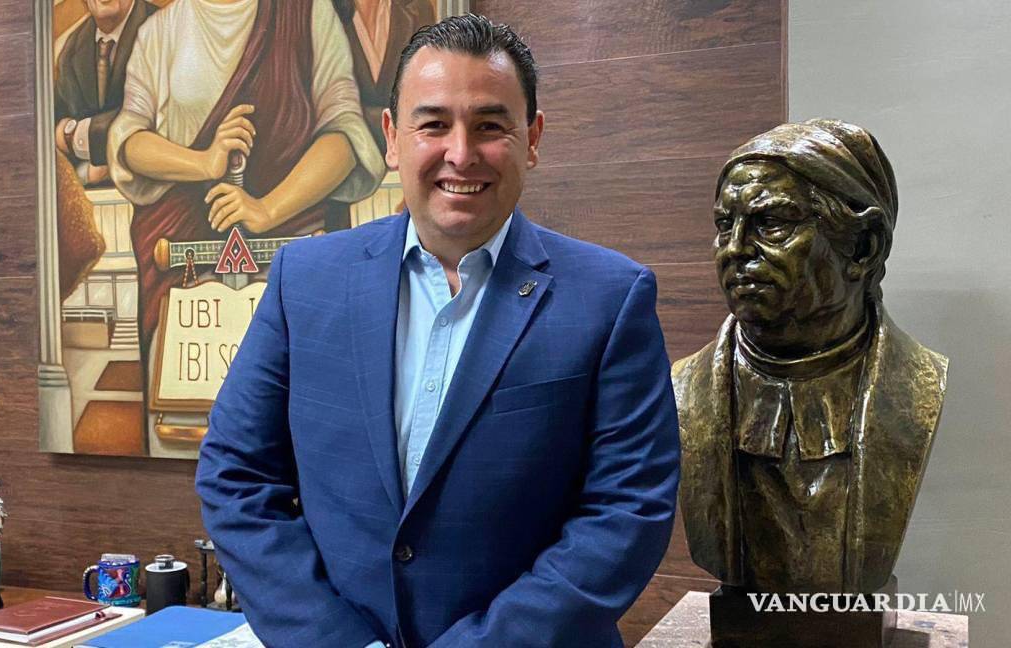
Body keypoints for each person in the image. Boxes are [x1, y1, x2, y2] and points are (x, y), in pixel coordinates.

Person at [197, 14, 680, 648]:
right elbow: (236, 475)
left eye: (490, 126)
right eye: (433, 124)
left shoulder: (610, 298)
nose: (460, 153)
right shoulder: (304, 280)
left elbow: (627, 511)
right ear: (392, 138)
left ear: (532, 138)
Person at [674, 119, 948, 594]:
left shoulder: (919, 387)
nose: (734, 249)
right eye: (723, 225)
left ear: (863, 247)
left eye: (771, 224)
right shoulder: (685, 390)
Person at [108, 0, 385, 353]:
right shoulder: (158, 31)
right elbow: (128, 139)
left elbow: (345, 133)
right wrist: (204, 163)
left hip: (293, 251)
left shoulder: (306, 12)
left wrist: (267, 209)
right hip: (184, 267)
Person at [54, 0, 157, 186]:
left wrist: (75, 135)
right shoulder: (71, 50)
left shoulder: (163, 29)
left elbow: (159, 114)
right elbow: (54, 131)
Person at [332, 0, 437, 153]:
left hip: (406, 157)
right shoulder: (324, 11)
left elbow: (426, 105)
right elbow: (329, 114)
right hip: (347, 158)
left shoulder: (418, 9)